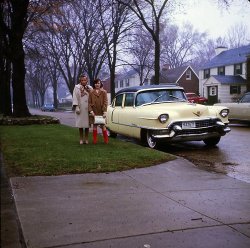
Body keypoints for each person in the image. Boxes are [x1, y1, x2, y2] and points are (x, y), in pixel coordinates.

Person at [72, 75, 93, 144]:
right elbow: (75, 97)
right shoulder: (76, 87)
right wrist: (76, 106)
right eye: (82, 80)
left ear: (87, 81)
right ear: (80, 81)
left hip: (88, 108)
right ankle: (81, 139)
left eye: (85, 80)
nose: (83, 81)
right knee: (80, 125)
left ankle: (86, 139)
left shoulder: (90, 88)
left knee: (87, 125)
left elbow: (93, 97)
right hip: (80, 108)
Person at [88, 78, 108, 144]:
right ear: (94, 84)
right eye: (96, 83)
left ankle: (106, 140)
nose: (97, 84)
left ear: (100, 84)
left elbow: (106, 102)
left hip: (101, 111)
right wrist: (91, 111)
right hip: (94, 111)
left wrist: (105, 111)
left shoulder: (104, 92)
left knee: (103, 126)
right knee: (95, 125)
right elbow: (89, 103)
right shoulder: (91, 92)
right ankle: (95, 140)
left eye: (98, 83)